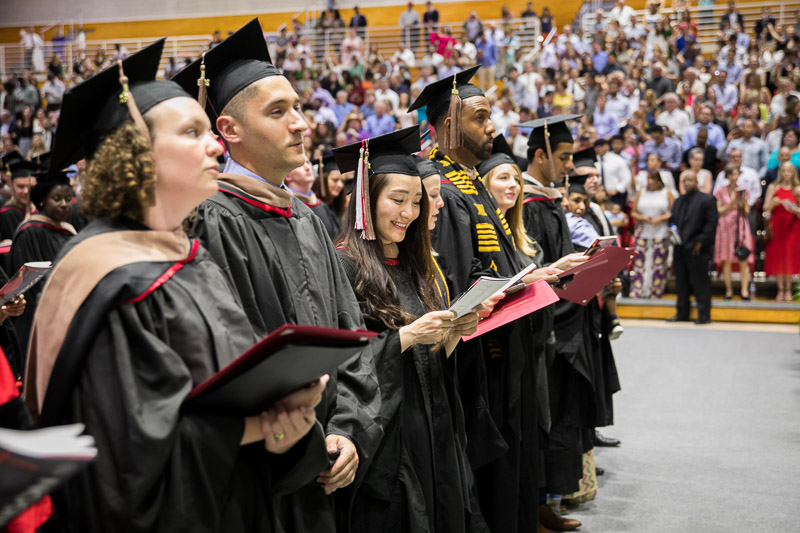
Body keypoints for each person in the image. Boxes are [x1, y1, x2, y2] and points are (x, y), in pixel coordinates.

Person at [24, 39, 332, 533]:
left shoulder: (186, 254)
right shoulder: (105, 274)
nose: (214, 145)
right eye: (192, 132)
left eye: (210, 131)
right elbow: (126, 459)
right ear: (135, 153)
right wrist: (258, 427)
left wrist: (287, 423)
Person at [173, 19, 383, 532]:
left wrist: (348, 432)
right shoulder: (215, 220)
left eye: (298, 107)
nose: (301, 122)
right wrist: (306, 446)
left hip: (330, 462)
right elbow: (237, 362)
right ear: (229, 130)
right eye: (278, 111)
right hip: (266, 478)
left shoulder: (307, 217)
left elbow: (352, 336)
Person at [409, 67, 567, 533]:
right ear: (449, 124)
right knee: (486, 481)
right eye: (481, 117)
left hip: (503, 353)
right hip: (478, 361)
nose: (492, 127)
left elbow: (498, 265)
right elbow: (457, 284)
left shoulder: (471, 181)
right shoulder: (443, 188)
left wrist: (540, 274)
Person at [333, 126, 486, 532]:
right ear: (367, 200)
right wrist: (409, 336)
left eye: (417, 201)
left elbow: (431, 355)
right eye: (397, 200)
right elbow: (341, 361)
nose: (409, 213)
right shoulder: (343, 266)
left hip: (433, 418)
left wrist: (455, 331)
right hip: (386, 429)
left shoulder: (417, 265)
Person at [8, 170, 76, 355]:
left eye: (68, 198)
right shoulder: (31, 232)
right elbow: (30, 286)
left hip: (66, 314)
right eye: (56, 198)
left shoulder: (67, 230)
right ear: (42, 201)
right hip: (39, 321)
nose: (64, 204)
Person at [669, 172, 718, 324]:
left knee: (700, 283)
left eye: (690, 180)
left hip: (698, 248)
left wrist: (700, 242)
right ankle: (682, 313)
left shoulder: (707, 199)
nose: (687, 183)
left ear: (697, 181)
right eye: (684, 181)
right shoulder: (678, 201)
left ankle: (704, 315)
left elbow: (711, 224)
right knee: (681, 283)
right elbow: (672, 221)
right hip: (679, 247)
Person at [629, 172, 674, 298]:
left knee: (658, 264)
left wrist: (660, 218)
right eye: (649, 179)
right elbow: (633, 212)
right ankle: (638, 289)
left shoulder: (667, 193)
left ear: (658, 180)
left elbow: (672, 211)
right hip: (643, 230)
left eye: (653, 179)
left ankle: (656, 290)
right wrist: (643, 218)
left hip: (660, 231)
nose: (650, 182)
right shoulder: (641, 192)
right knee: (640, 262)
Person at [714, 164, 754, 300]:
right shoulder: (720, 190)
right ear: (727, 176)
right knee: (726, 259)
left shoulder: (744, 190)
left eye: (736, 174)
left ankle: (744, 290)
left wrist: (742, 203)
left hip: (740, 226)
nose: (734, 177)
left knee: (744, 259)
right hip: (725, 226)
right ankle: (728, 291)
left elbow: (747, 212)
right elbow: (719, 211)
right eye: (731, 174)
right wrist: (733, 203)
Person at [763, 162, 800, 301]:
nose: (785, 174)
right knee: (778, 258)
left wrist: (794, 209)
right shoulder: (774, 187)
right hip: (777, 226)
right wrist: (774, 202)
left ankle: (788, 290)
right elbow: (765, 207)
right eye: (783, 171)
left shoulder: (797, 189)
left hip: (792, 226)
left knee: (789, 258)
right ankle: (780, 290)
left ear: (792, 172)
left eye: (788, 171)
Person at [285, 157, 340, 240]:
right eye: (300, 165)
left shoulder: (322, 205)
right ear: (287, 175)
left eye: (308, 163)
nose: (308, 168)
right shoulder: (287, 206)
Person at [0, 157, 37, 242]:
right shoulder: (5, 215)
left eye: (30, 186)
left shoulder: (42, 212)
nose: (26, 191)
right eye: (20, 186)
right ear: (12, 187)